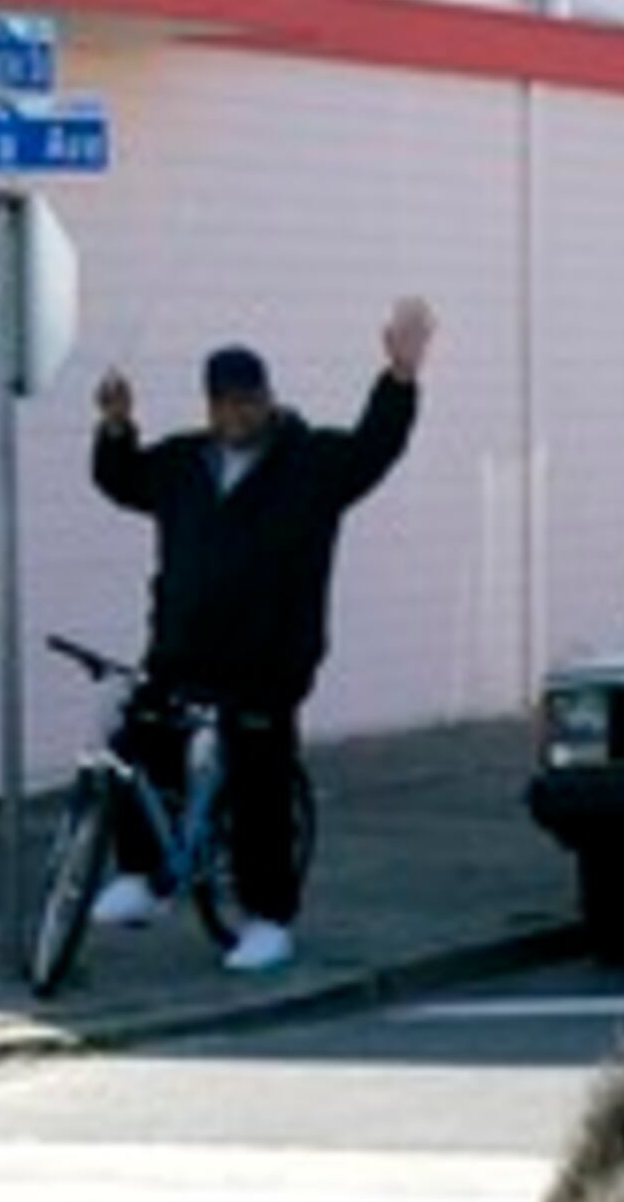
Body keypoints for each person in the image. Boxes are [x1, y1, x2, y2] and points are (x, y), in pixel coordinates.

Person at [86, 298, 433, 973]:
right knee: (140, 739)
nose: (235, 415)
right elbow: (121, 480)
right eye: (223, 403)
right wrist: (116, 426)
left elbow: (374, 449)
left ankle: (269, 918)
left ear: (269, 399)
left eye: (248, 402)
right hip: (182, 646)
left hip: (267, 657)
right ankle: (142, 877)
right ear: (208, 406)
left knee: (259, 781)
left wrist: (398, 379)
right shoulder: (185, 462)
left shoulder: (310, 463)